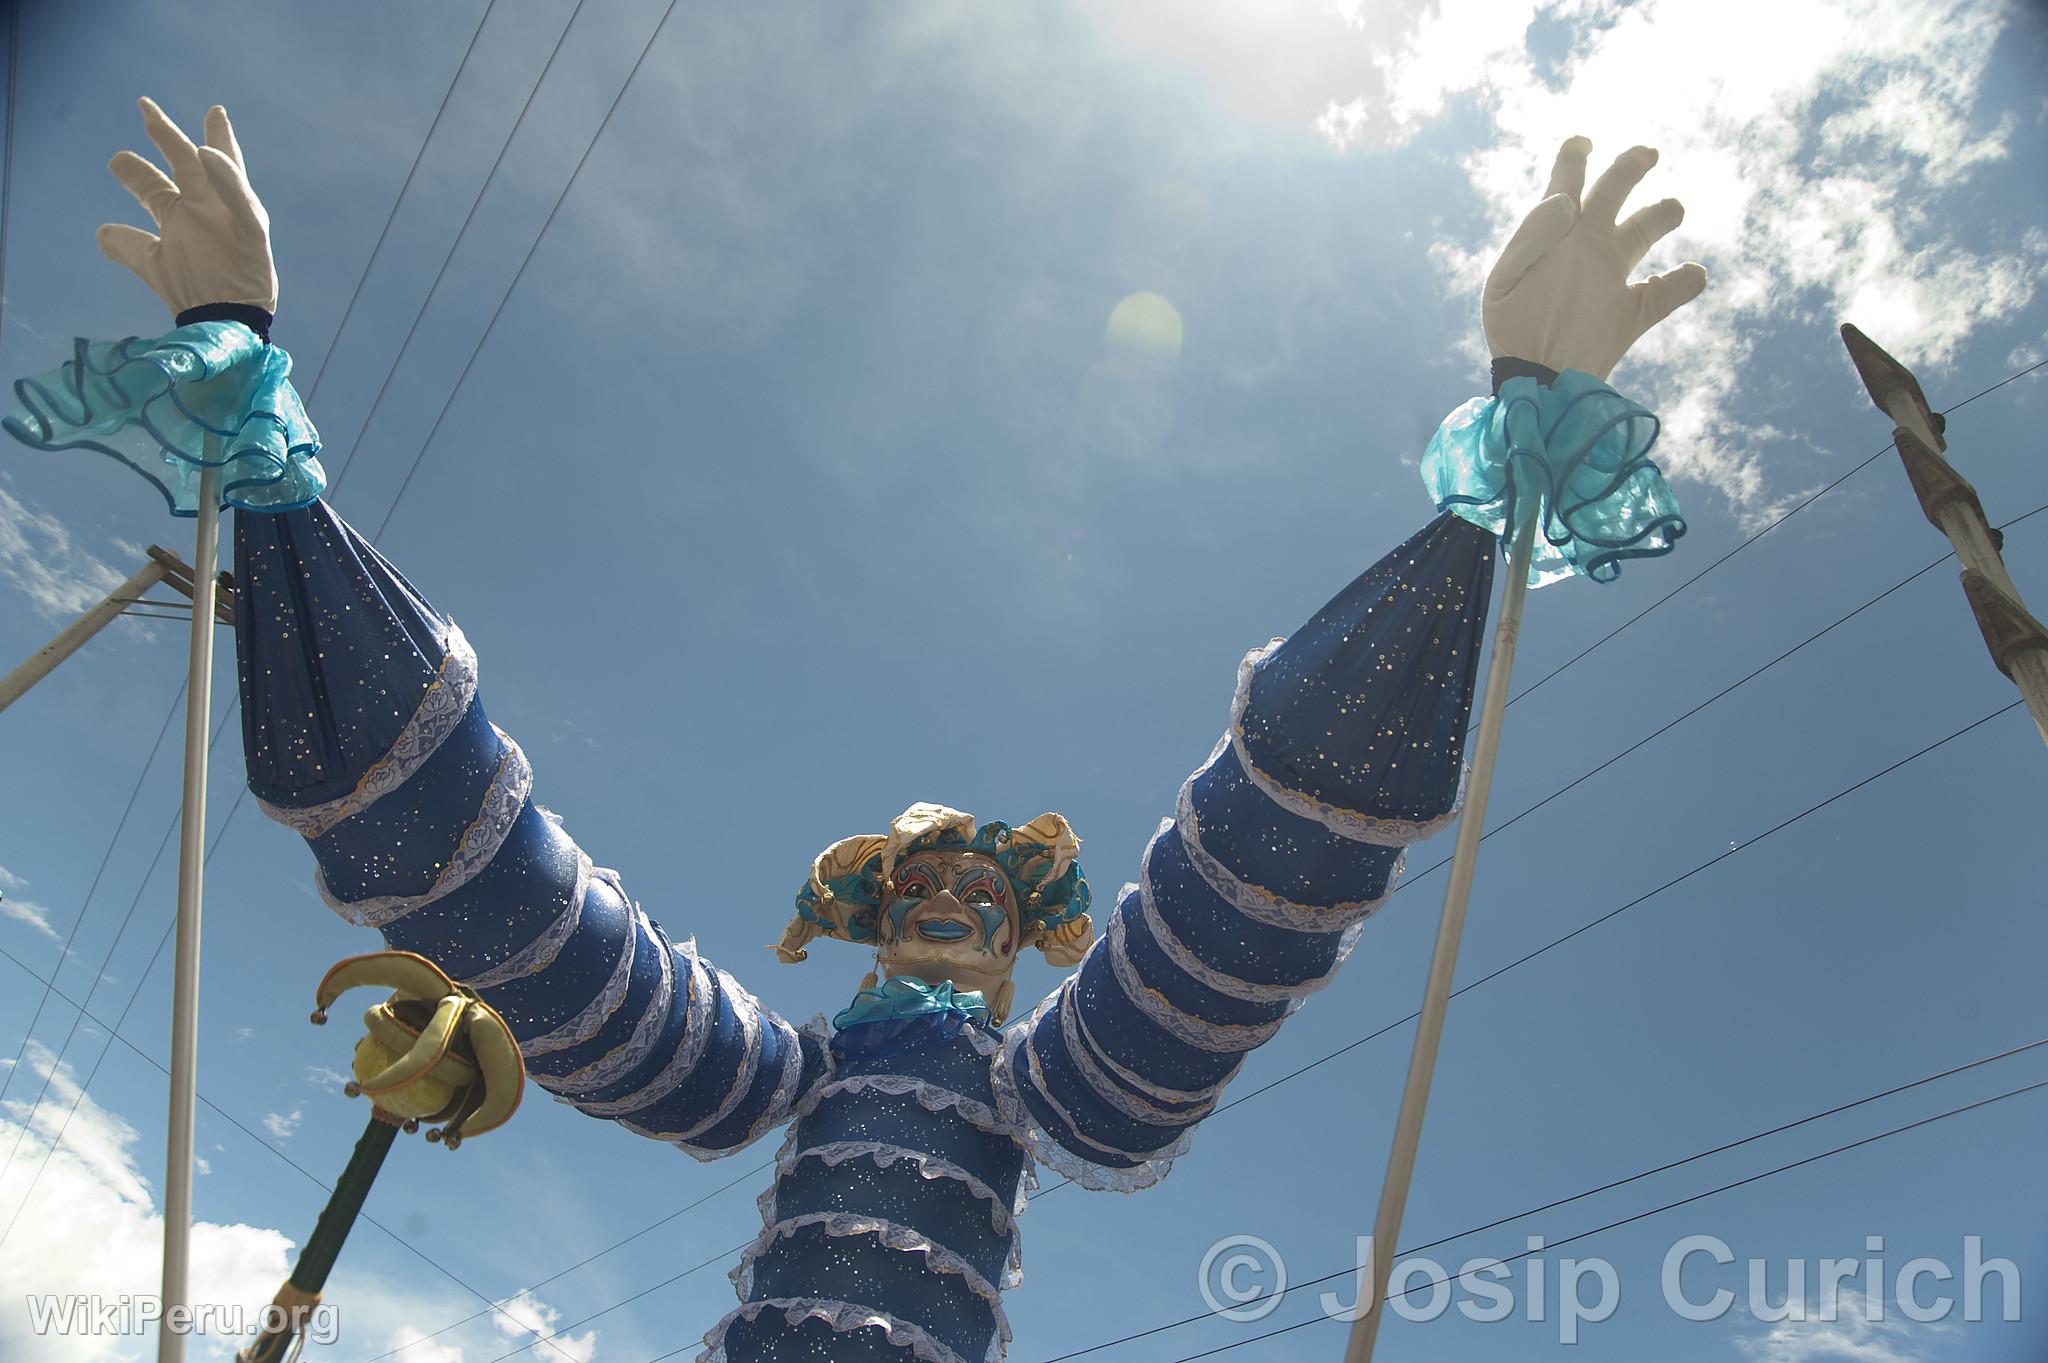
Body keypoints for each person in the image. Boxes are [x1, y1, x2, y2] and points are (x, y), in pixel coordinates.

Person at [11, 97, 1703, 1363]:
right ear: (862, 925)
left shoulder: (1063, 1077)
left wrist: (1503, 465)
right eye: (910, 897)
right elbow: (529, 929)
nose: (942, 912)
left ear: (1023, 939)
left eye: (969, 900)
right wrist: (260, 439)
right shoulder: (776, 1072)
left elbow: (1215, 931)